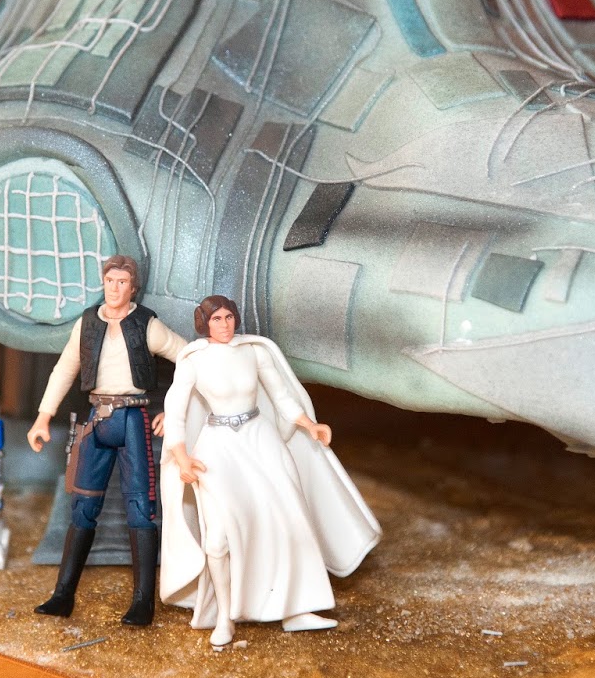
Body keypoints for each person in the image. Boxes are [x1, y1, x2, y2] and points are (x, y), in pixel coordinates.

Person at [159, 295, 380, 646]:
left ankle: (296, 608)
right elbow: (175, 411)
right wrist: (181, 456)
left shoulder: (254, 351)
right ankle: (225, 616)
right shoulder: (193, 360)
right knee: (217, 538)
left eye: (229, 317)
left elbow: (281, 396)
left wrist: (309, 424)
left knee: (290, 517)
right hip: (217, 448)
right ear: (204, 323)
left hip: (260, 439)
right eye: (216, 319)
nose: (225, 325)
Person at [27, 254, 186, 625]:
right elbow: (65, 368)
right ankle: (63, 594)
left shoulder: (147, 325)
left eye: (122, 282)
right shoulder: (87, 323)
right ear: (103, 283)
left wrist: (174, 409)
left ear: (133, 288)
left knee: (140, 508)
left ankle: (143, 602)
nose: (115, 288)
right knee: (82, 507)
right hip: (96, 420)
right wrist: (43, 417)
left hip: (132, 419)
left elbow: (190, 358)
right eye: (110, 281)